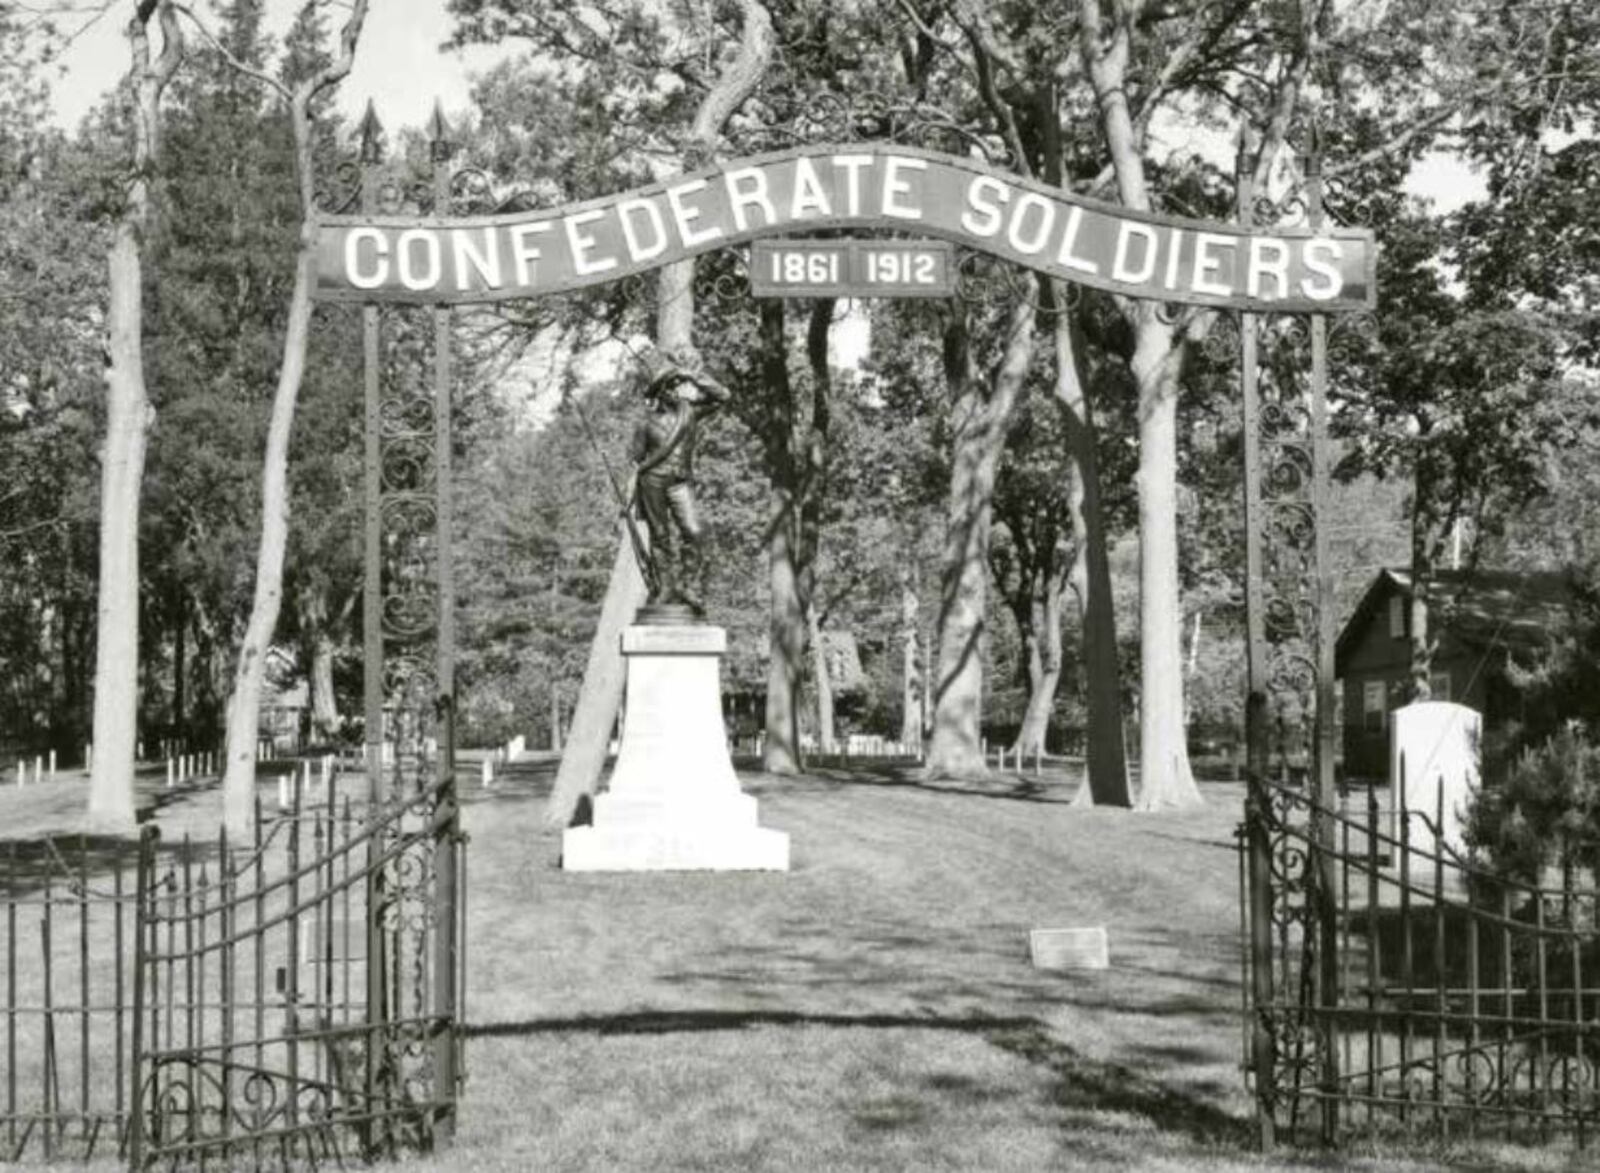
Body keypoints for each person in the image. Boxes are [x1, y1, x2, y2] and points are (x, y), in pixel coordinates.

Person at [630, 347, 730, 616]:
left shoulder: (691, 414)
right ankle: (666, 588)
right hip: (652, 481)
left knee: (695, 532)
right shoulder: (645, 424)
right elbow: (637, 461)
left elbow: (723, 397)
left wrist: (693, 375)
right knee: (660, 536)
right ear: (661, 391)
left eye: (678, 384)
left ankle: (690, 587)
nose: (677, 389)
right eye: (672, 385)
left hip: (680, 482)